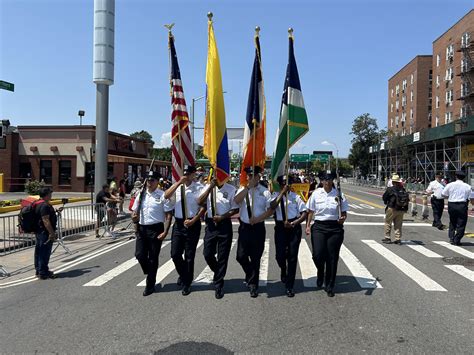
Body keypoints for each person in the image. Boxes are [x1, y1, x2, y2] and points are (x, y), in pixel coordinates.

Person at [164, 165, 206, 296]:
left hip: (192, 224)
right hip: (179, 224)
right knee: (175, 254)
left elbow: (203, 206)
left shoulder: (199, 188)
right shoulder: (177, 187)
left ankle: (187, 283)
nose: (186, 176)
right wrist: (178, 183)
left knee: (189, 256)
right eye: (185, 173)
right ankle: (184, 275)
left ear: (194, 175)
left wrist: (195, 219)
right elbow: (166, 196)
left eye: (189, 174)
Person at [305, 172, 348, 297]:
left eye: (329, 179)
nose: (327, 181)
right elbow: (310, 211)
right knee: (317, 255)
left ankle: (330, 285)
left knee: (332, 257)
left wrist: (342, 219)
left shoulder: (339, 194)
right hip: (319, 227)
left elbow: (344, 212)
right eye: (324, 179)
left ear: (333, 180)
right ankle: (320, 271)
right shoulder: (316, 194)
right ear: (321, 181)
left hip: (335, 227)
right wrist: (308, 225)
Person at [234, 166, 274, 298]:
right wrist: (247, 187)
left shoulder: (265, 192)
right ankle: (250, 274)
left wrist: (257, 219)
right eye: (249, 176)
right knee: (240, 256)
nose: (250, 178)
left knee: (256, 258)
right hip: (245, 228)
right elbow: (236, 200)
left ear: (258, 177)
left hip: (257, 228)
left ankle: (253, 285)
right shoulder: (243, 189)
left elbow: (270, 210)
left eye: (253, 176)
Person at [197, 177, 239, 299]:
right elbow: (199, 202)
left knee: (223, 256)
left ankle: (219, 284)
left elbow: (235, 208)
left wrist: (222, 217)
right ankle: (218, 272)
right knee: (207, 253)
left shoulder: (231, 189)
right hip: (211, 224)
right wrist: (210, 187)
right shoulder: (207, 187)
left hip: (224, 223)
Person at [132, 171, 172, 296]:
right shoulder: (141, 194)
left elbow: (169, 214)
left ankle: (150, 285)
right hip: (142, 228)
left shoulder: (162, 195)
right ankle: (150, 271)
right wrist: (134, 219)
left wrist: (165, 231)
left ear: (157, 182)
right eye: (148, 180)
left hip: (156, 229)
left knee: (153, 257)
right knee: (139, 254)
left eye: (152, 180)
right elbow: (134, 211)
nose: (149, 183)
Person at [270, 175, 308, 297]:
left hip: (293, 228)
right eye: (283, 184)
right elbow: (272, 207)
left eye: (287, 184)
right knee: (279, 256)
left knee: (292, 257)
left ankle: (289, 286)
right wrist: (281, 193)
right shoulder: (275, 196)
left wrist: (293, 223)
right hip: (280, 228)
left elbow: (304, 213)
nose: (285, 186)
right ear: (280, 185)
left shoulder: (296, 197)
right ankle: (283, 269)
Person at [441, 170, 472, 245]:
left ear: (456, 176)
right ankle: (457, 239)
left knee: (452, 221)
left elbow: (443, 194)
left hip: (452, 204)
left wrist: (450, 196)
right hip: (462, 205)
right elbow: (471, 197)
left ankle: (451, 238)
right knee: (461, 222)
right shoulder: (468, 186)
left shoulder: (450, 185)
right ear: (463, 178)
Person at [34, 187, 58, 280]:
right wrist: (51, 233)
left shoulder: (38, 204)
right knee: (44, 252)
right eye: (50, 193)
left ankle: (39, 270)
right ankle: (43, 272)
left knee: (39, 252)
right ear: (47, 195)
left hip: (39, 231)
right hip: (45, 233)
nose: (51, 195)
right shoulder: (44, 205)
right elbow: (46, 220)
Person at [382, 174, 409, 244]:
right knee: (398, 225)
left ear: (393, 182)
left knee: (388, 223)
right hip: (401, 209)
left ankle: (387, 238)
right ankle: (398, 239)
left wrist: (386, 202)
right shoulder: (403, 189)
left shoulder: (390, 189)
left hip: (392, 208)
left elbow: (384, 197)